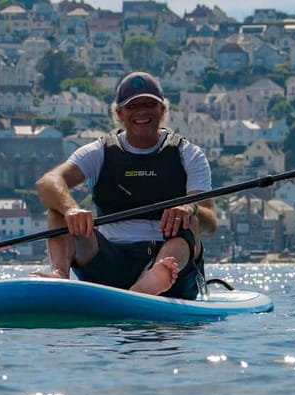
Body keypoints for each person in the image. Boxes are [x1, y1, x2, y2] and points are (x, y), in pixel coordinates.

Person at [34, 71, 216, 299]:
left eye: (149, 104)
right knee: (57, 209)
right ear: (119, 113)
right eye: (132, 106)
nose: (141, 112)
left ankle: (153, 279)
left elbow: (210, 223)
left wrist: (191, 208)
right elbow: (47, 182)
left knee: (192, 222)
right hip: (110, 261)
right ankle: (60, 275)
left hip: (170, 267)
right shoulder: (99, 151)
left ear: (163, 110)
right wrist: (71, 209)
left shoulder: (188, 154)